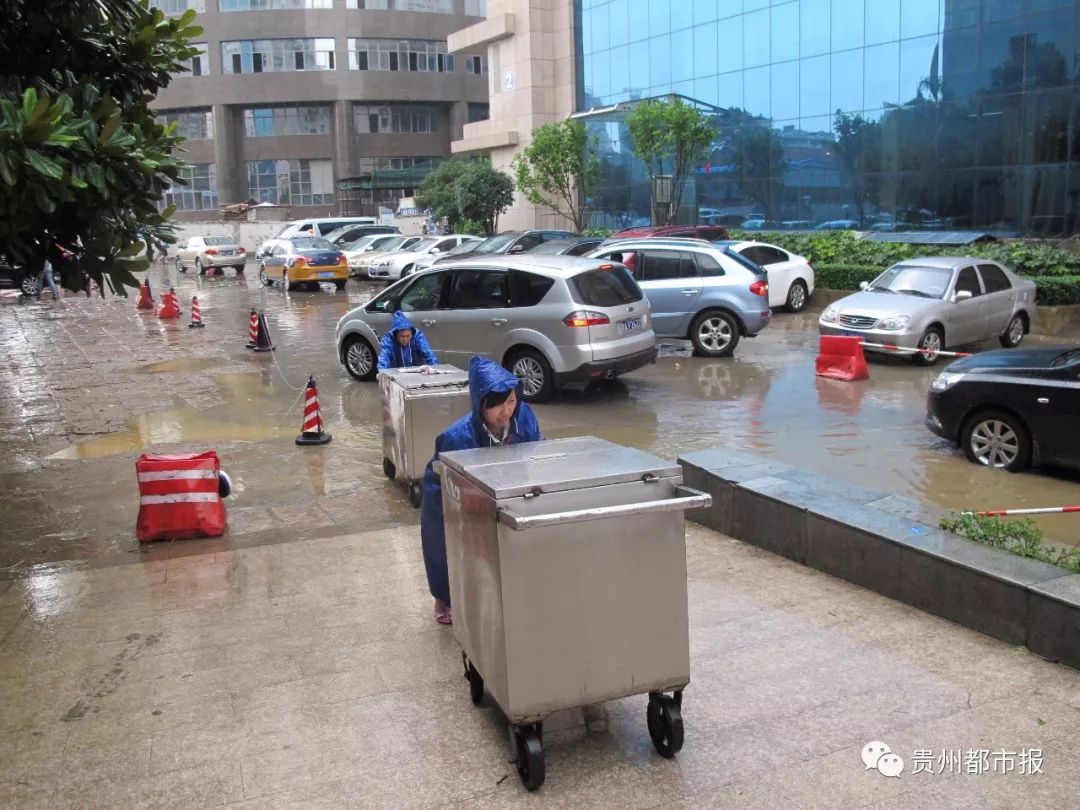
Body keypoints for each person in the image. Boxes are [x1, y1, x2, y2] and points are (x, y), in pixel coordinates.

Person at [419, 356, 543, 624]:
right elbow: (441, 488)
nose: (506, 411)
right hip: (459, 498)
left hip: (510, 492)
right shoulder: (455, 438)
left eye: (511, 400)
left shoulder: (526, 418)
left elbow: (539, 456)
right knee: (446, 543)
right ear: (479, 404)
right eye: (496, 404)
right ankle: (445, 596)